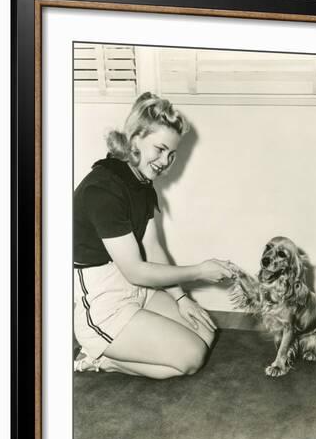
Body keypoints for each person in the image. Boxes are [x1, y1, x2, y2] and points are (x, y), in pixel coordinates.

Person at [73, 92, 233, 379]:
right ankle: (98, 356)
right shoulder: (102, 190)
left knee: (205, 333)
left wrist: (182, 298)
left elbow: (154, 250)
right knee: (191, 357)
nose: (165, 161)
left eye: (171, 154)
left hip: (137, 290)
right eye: (159, 149)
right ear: (134, 139)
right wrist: (199, 271)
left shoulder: (142, 183)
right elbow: (136, 270)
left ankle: (112, 349)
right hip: (104, 303)